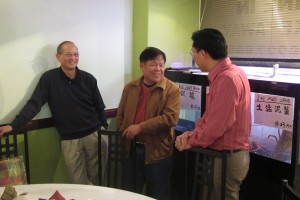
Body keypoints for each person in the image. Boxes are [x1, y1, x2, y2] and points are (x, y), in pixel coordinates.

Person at [0, 41, 108, 185]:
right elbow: (34, 105)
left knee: (99, 181)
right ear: (58, 57)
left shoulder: (88, 79)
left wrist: (104, 129)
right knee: (78, 184)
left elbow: (100, 107)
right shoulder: (49, 79)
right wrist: (13, 126)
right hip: (69, 140)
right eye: (68, 54)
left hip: (94, 135)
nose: (73, 58)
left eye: (76, 54)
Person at [175, 28, 251, 200]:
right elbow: (210, 116)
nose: (192, 57)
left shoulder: (227, 79)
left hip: (228, 157)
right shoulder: (227, 74)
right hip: (224, 154)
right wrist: (192, 132)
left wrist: (190, 140)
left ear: (203, 53)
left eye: (192, 52)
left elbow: (216, 127)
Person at [116, 47, 181, 200]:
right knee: (131, 194)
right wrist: (124, 131)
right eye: (153, 64)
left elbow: (170, 118)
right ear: (142, 66)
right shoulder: (130, 87)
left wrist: (139, 127)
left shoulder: (172, 89)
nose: (158, 69)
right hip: (131, 149)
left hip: (157, 152)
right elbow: (121, 115)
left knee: (158, 194)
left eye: (161, 65)